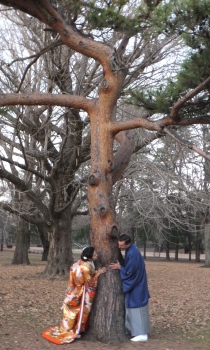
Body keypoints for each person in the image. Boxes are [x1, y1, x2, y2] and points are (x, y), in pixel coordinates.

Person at [42, 246, 106, 344]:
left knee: (72, 310)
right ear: (89, 258)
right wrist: (99, 273)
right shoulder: (85, 267)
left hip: (75, 290)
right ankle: (75, 329)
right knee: (79, 311)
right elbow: (90, 282)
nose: (97, 255)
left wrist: (95, 272)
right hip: (82, 292)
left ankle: (72, 327)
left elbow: (87, 275)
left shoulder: (81, 263)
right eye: (95, 254)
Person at [110, 234, 150, 342]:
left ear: (128, 244)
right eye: (119, 245)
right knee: (132, 307)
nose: (119, 247)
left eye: (121, 245)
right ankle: (134, 330)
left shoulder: (133, 253)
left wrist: (120, 268)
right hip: (136, 283)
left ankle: (142, 333)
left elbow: (130, 272)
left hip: (137, 284)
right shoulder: (130, 250)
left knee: (137, 306)